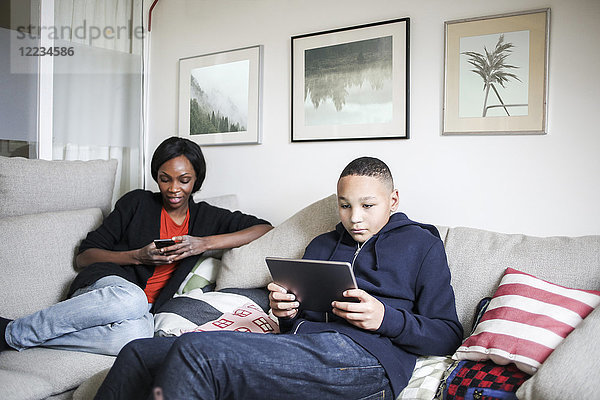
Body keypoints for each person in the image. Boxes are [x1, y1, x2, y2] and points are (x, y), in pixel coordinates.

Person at [93, 156, 463, 399]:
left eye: (368, 206)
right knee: (138, 352)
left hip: (369, 360)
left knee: (198, 350)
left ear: (393, 200)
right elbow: (297, 329)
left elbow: (448, 333)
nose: (355, 218)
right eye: (345, 204)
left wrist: (387, 318)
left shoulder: (422, 244)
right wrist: (286, 313)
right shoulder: (321, 245)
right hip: (308, 349)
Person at [0, 137, 272, 356]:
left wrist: (203, 243)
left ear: (196, 180)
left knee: (136, 338)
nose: (173, 188)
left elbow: (264, 228)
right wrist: (137, 256)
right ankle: (11, 331)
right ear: (156, 177)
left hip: (143, 313)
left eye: (184, 180)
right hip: (106, 290)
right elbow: (84, 257)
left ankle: (18, 337)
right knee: (132, 299)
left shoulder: (206, 217)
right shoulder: (137, 203)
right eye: (165, 178)